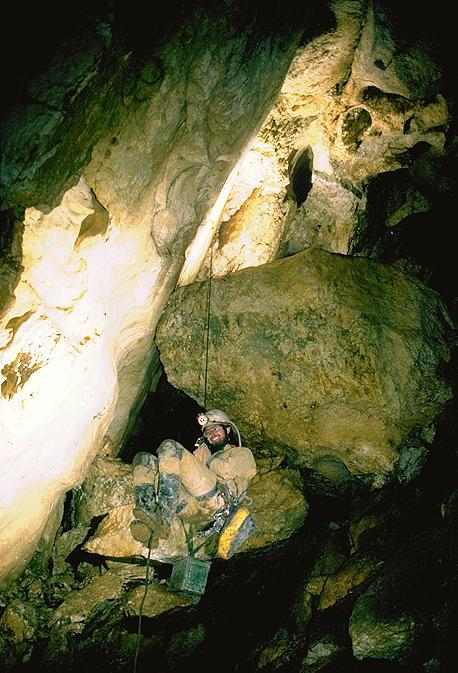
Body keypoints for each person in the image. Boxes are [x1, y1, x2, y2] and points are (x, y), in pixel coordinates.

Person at [130, 409, 257, 559]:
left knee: (170, 446)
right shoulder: (203, 453)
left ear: (227, 429)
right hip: (190, 510)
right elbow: (180, 468)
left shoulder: (242, 453)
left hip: (216, 501)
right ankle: (149, 514)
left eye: (216, 428)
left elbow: (226, 471)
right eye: (208, 432)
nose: (212, 433)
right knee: (143, 459)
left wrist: (208, 460)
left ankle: (163, 519)